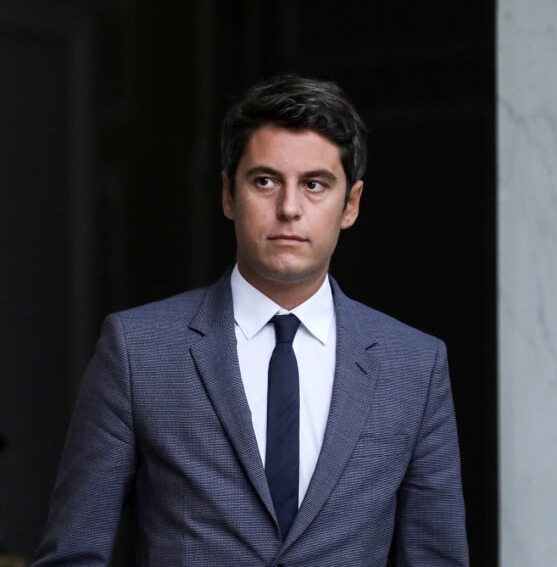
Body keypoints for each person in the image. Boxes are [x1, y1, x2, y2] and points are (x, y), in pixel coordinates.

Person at [33, 74, 469, 565]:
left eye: (314, 185)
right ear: (227, 194)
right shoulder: (138, 350)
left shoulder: (414, 365)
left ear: (351, 204)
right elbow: (73, 554)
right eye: (265, 181)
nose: (288, 208)